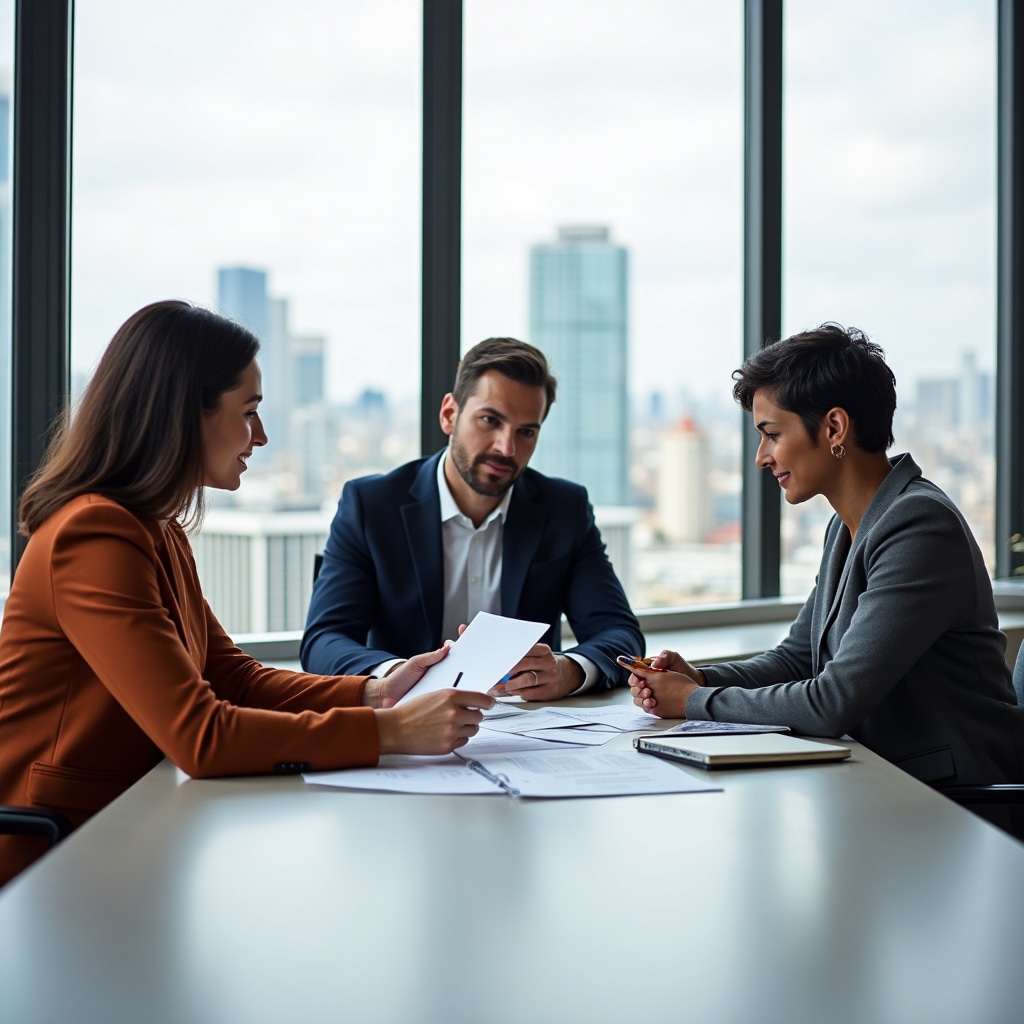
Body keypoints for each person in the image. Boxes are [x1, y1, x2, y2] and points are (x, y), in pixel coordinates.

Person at [0, 300, 492, 887]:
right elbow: (200, 736)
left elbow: (232, 676)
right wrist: (392, 733)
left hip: (130, 834)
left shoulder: (156, 530)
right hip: (52, 855)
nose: (260, 436)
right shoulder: (93, 535)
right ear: (184, 414)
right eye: (249, 412)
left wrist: (375, 693)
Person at [628, 324, 1024, 830]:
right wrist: (701, 678)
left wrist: (692, 702)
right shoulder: (849, 524)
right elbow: (797, 657)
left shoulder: (920, 527)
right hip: (877, 785)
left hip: (951, 808)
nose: (761, 457)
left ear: (835, 428)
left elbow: (830, 701)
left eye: (772, 434)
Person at [301, 337, 643, 700]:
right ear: (449, 414)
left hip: (531, 731)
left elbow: (620, 633)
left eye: (526, 431)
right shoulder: (371, 506)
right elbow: (324, 640)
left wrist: (569, 670)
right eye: (489, 420)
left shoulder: (564, 508)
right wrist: (394, 674)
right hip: (409, 726)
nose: (506, 447)